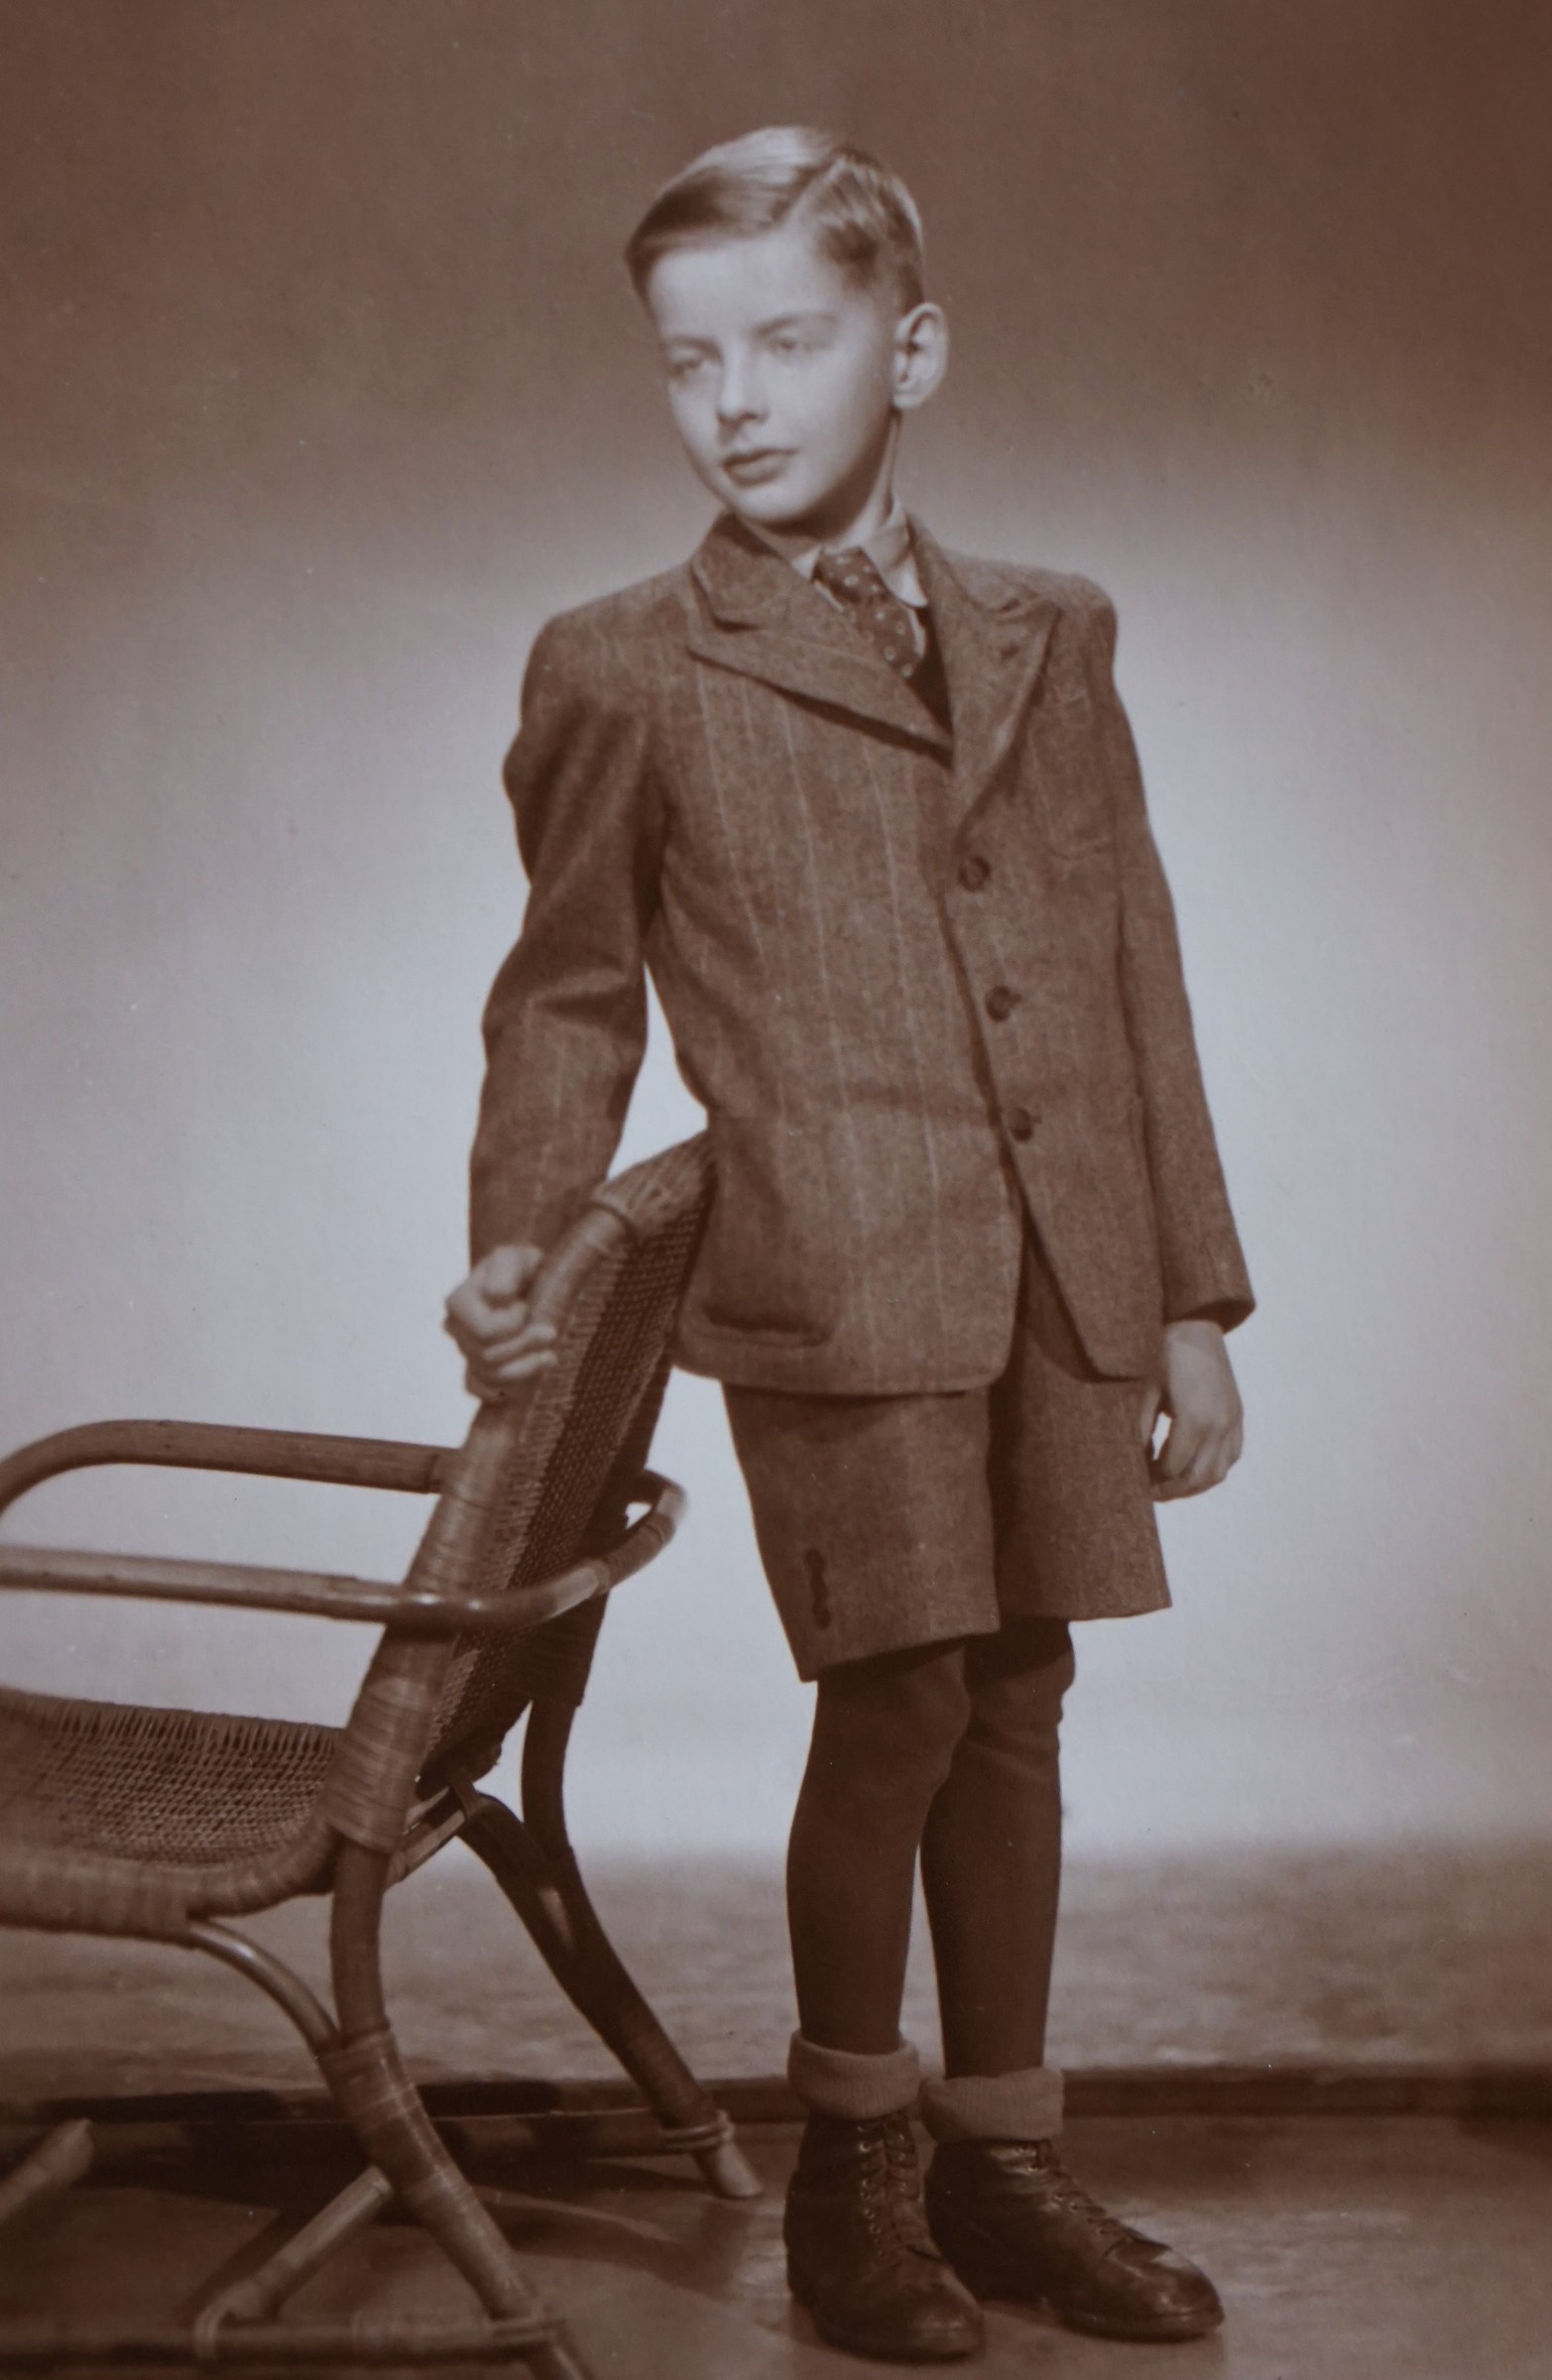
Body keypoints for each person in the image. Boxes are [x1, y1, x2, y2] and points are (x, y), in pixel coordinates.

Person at [444, 126, 1254, 2365]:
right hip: (841, 1277)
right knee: (893, 1698)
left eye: (788, 344)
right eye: (687, 360)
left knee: (1022, 1697)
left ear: (910, 351)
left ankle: (1005, 2162)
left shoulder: (1052, 634)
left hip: (1069, 1278)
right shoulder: (627, 665)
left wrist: (1188, 1299)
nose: (735, 400)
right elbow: (569, 995)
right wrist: (522, 1237)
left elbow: (1134, 976)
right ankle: (852, 2175)